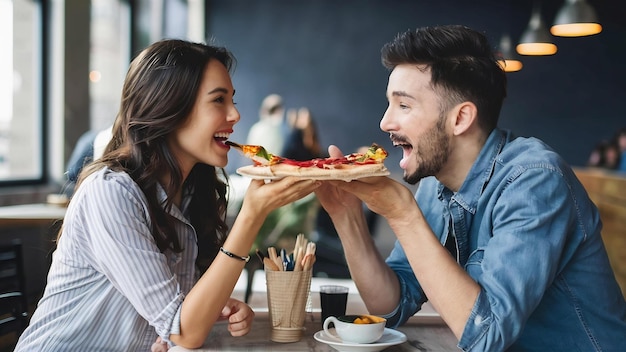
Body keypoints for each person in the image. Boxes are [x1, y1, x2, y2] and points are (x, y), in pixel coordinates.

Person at [314, 25, 626, 351]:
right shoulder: (437, 185)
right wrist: (346, 216)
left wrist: (404, 215)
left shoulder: (535, 181)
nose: (385, 122)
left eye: (403, 105)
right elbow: (390, 306)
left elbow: (485, 337)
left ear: (461, 118)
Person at [15, 39, 319, 351]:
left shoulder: (187, 196)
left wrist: (211, 308)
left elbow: (174, 323)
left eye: (233, 101)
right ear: (169, 109)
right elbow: (183, 330)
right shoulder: (110, 193)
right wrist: (252, 215)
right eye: (218, 100)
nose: (235, 115)